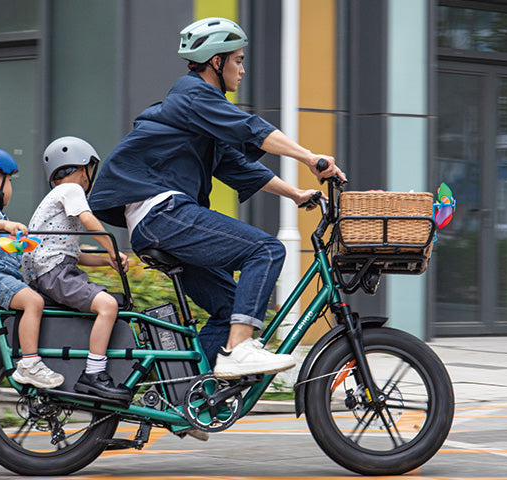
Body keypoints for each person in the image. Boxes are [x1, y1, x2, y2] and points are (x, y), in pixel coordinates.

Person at [89, 17, 345, 378]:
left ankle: (193, 397)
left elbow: (238, 166)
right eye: (238, 60)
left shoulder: (200, 116)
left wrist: (295, 194)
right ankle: (239, 349)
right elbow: (250, 128)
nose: (242, 69)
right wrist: (310, 158)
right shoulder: (192, 95)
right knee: (267, 250)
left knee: (228, 308)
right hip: (162, 214)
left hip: (161, 222)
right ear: (216, 62)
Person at [22, 136, 132, 401]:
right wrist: (111, 248)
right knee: (107, 306)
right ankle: (93, 374)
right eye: (91, 170)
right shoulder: (71, 190)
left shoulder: (55, 195)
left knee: (108, 302)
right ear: (83, 168)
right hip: (55, 273)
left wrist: (106, 260)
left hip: (52, 271)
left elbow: (72, 253)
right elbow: (89, 220)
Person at [0, 146, 64, 389]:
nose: (10, 188)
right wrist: (6, 227)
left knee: (39, 300)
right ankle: (29, 365)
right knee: (33, 302)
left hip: (2, 273)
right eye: (10, 181)